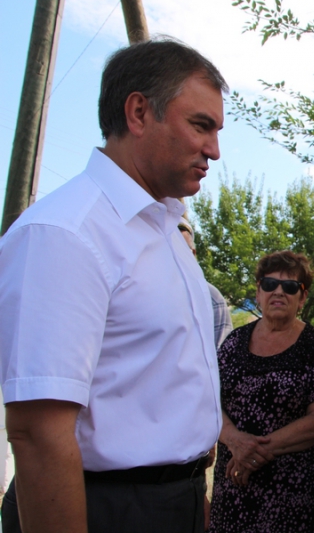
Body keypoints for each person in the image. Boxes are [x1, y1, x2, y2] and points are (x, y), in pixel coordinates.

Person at [0, 39, 226, 532]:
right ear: (139, 112)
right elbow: (38, 432)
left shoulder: (163, 229)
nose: (213, 150)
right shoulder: (65, 233)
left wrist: (188, 495)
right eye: (201, 125)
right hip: (102, 508)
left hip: (169, 500)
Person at [209, 251, 314, 532]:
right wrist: (235, 441)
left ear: (302, 298)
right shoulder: (234, 342)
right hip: (235, 485)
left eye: (291, 287)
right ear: (258, 292)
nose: (279, 292)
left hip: (295, 494)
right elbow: (208, 401)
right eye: (270, 284)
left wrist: (255, 451)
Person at [178, 219, 233, 349]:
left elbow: (222, 355)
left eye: (182, 249)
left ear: (193, 254)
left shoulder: (211, 298)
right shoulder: (137, 292)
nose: (175, 255)